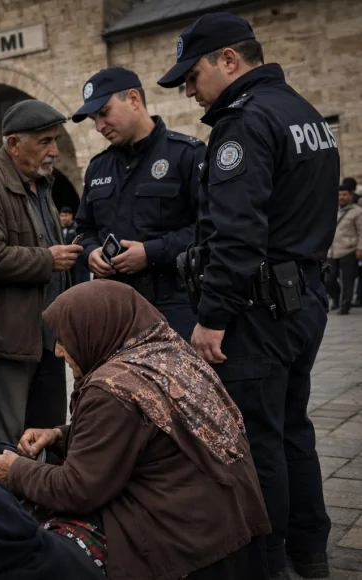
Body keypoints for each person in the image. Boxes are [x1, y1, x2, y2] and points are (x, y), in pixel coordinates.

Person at [0, 280, 270, 580]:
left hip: (185, 539)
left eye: (64, 339)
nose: (58, 351)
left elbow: (78, 490)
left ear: (96, 329)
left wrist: (16, 471)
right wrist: (60, 435)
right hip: (232, 525)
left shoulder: (114, 386)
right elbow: (146, 434)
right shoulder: (165, 353)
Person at [159, 13, 339, 579]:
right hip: (303, 296)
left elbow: (236, 235)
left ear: (229, 61)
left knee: (257, 442)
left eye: (192, 74)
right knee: (292, 430)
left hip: (257, 311)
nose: (189, 88)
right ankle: (309, 551)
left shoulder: (244, 122)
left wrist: (212, 318)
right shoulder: (303, 113)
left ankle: (267, 563)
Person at [0, 99, 82, 458]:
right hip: (5, 338)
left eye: (55, 140)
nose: (54, 151)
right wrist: (48, 259)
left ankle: (46, 510)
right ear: (13, 144)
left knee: (48, 432)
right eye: (44, 142)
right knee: (3, 443)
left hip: (46, 337)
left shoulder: (40, 184)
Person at [72, 67, 204, 340]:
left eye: (104, 113)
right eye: (94, 119)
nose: (99, 126)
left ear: (133, 99)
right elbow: (84, 228)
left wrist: (151, 252)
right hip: (114, 311)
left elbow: (209, 230)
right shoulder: (98, 167)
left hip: (174, 308)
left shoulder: (186, 155)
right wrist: (91, 252)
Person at [326, 184, 362, 315]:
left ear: (350, 195)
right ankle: (336, 299)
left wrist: (360, 248)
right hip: (332, 250)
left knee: (347, 280)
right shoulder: (331, 210)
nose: (342, 197)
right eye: (340, 195)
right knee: (328, 279)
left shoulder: (357, 211)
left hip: (349, 250)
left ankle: (345, 306)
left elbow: (361, 231)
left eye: (344, 194)